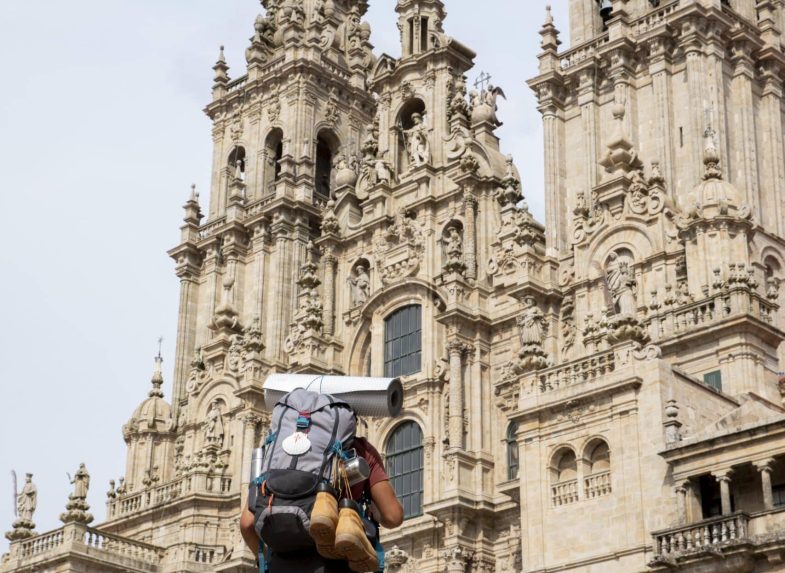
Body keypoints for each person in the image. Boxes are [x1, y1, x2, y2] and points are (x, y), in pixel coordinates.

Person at [240, 436, 403, 573]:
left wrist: (266, 560)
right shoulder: (360, 450)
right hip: (337, 564)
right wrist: (374, 513)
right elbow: (393, 516)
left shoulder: (275, 451)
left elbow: (247, 523)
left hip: (281, 563)